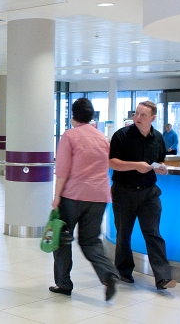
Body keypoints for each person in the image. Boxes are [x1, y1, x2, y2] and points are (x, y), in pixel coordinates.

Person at [50, 97, 120, 301]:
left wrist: (56, 197)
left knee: (62, 238)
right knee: (90, 241)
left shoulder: (70, 136)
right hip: (99, 196)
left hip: (73, 195)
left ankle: (63, 283)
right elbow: (106, 164)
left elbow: (62, 170)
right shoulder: (101, 137)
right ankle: (108, 274)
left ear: (73, 115)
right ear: (91, 116)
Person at [109, 100, 176, 291]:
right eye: (136, 114)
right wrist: (136, 165)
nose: (138, 118)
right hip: (124, 191)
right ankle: (123, 270)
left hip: (149, 193)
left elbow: (160, 160)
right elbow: (112, 162)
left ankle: (162, 277)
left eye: (143, 115)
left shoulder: (158, 138)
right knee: (123, 233)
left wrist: (161, 168)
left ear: (153, 118)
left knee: (153, 233)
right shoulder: (121, 136)